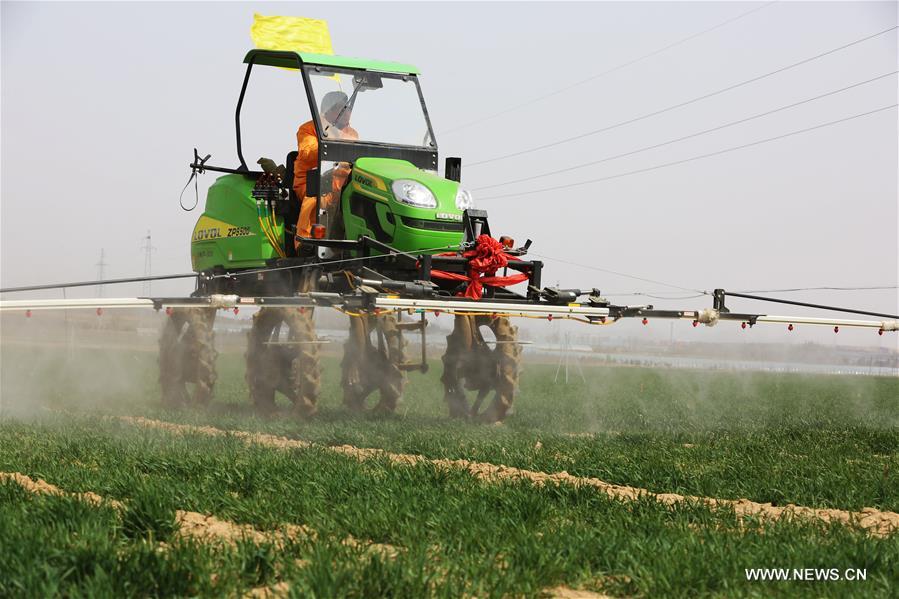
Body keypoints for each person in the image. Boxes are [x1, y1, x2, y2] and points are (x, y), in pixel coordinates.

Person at [293, 91, 359, 245]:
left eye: (349, 107)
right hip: (313, 183)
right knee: (315, 200)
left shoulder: (352, 133)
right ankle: (306, 242)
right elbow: (307, 153)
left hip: (341, 183)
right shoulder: (308, 128)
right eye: (343, 107)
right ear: (330, 110)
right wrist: (334, 139)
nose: (348, 111)